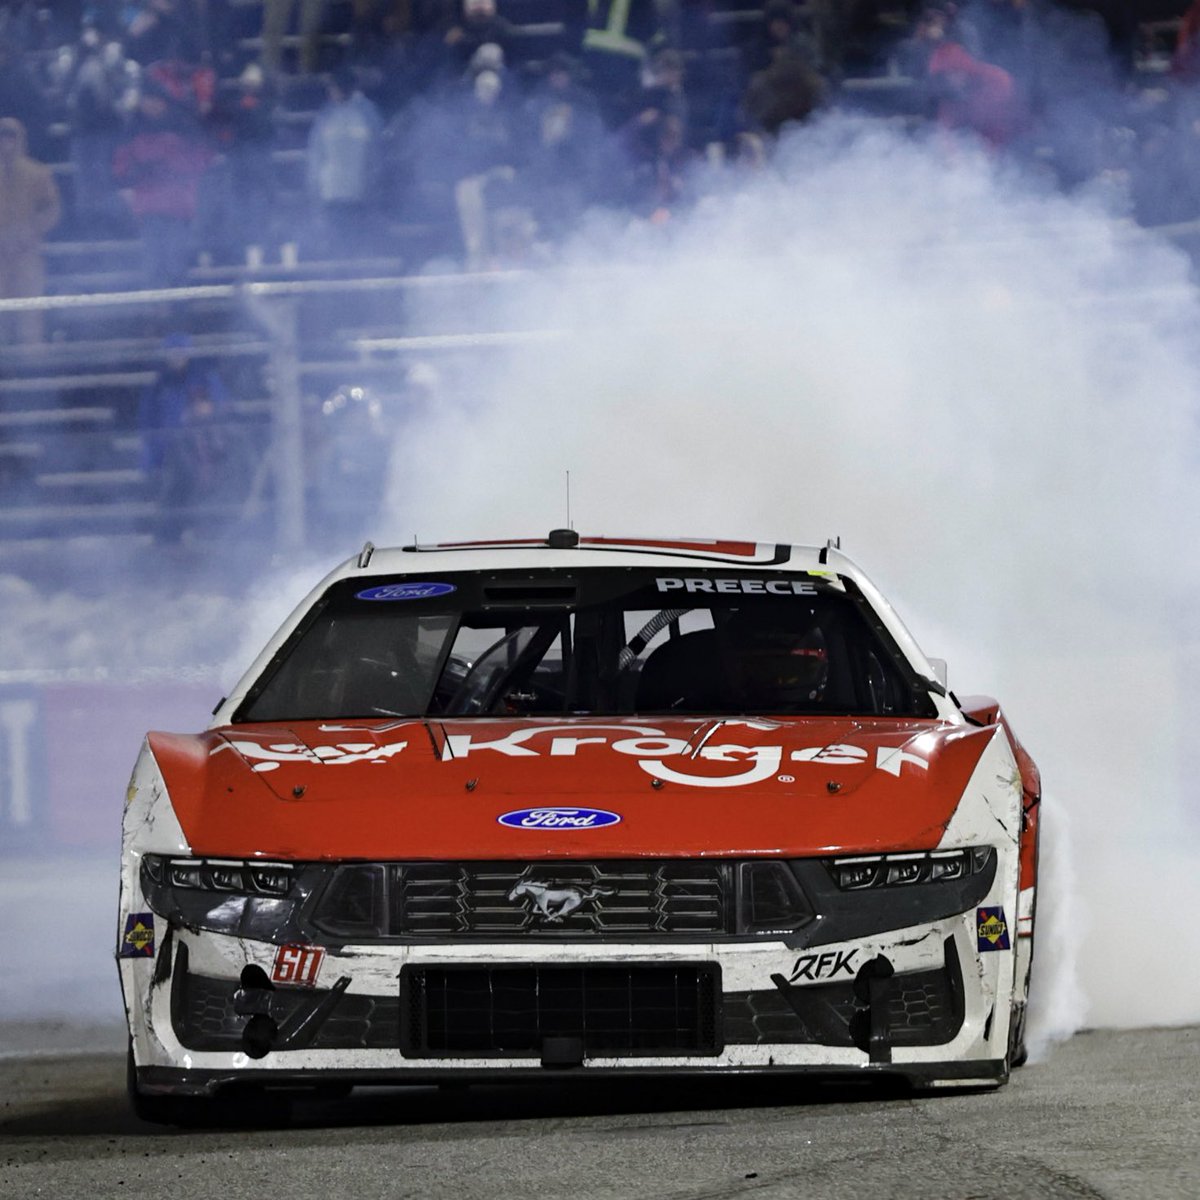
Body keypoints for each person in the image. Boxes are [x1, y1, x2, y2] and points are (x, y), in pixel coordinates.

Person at [305, 65, 383, 258]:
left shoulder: (367, 114)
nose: (330, 93)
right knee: (335, 248)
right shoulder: (326, 115)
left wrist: (372, 186)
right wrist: (314, 187)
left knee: (358, 248)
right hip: (331, 194)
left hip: (359, 195)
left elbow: (376, 154)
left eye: (333, 88)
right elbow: (316, 154)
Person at [0, 117, 61, 344]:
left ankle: (32, 369)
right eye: (2, 138)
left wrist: (30, 230)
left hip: (28, 253)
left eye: (10, 138)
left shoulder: (38, 173)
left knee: (30, 310)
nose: (6, 144)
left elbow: (52, 209)